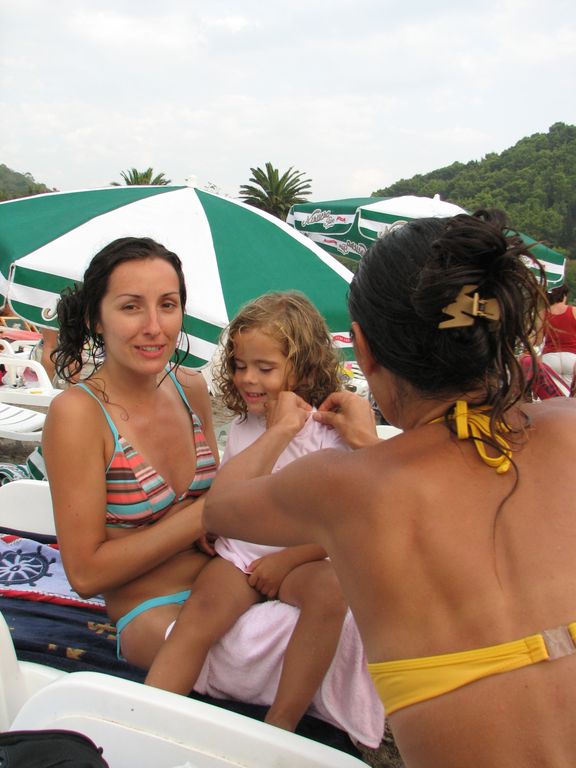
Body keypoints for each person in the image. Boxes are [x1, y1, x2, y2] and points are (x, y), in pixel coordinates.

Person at [204, 211, 576, 767]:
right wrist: (367, 442)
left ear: (363, 348)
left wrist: (303, 434)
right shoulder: (569, 426)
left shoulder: (348, 484)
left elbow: (219, 509)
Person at [145, 291, 349, 732]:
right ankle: (146, 718)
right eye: (239, 365)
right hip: (240, 555)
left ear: (305, 368)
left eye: (265, 368)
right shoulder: (243, 427)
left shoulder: (328, 435)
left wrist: (287, 561)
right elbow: (229, 497)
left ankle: (281, 725)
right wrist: (214, 530)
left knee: (333, 591)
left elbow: (342, 525)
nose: (248, 378)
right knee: (199, 615)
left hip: (301, 559)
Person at [42, 236, 220, 670]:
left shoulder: (190, 388)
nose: (154, 326)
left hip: (229, 589)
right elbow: (86, 574)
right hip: (155, 614)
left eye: (168, 304)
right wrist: (201, 515)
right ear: (96, 319)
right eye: (131, 307)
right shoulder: (79, 414)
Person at [541, 283, 576, 390]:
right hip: (572, 358)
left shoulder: (542, 313)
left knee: (552, 395)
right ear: (564, 295)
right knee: (569, 395)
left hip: (549, 359)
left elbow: (537, 341)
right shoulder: (574, 311)